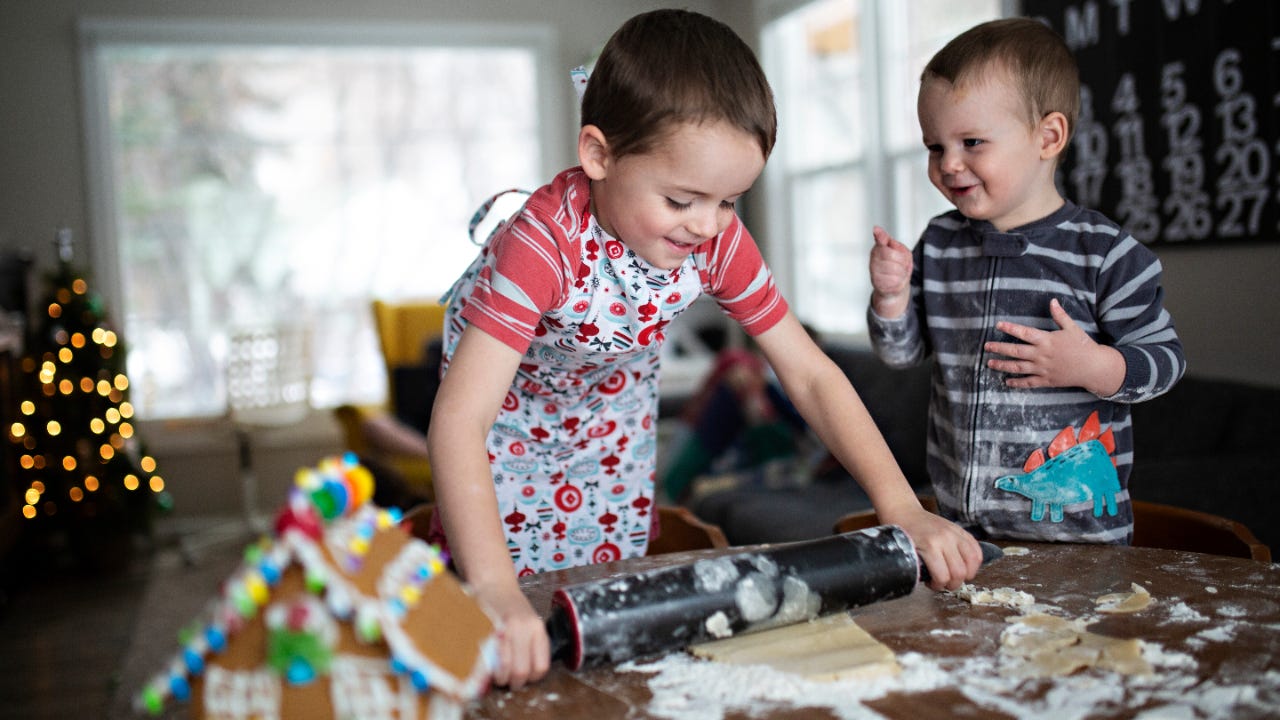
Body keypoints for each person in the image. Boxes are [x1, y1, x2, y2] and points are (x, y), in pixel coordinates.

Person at [428, 8, 982, 689]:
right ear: (598, 155)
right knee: (510, 614)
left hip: (607, 415)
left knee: (596, 610)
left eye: (730, 201)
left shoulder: (717, 238)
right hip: (502, 419)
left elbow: (808, 373)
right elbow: (460, 420)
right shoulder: (539, 246)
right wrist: (491, 585)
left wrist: (901, 507)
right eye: (684, 199)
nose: (709, 225)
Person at [867, 18, 1186, 547]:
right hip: (961, 530)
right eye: (933, 146)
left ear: (1048, 136)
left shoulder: (1105, 254)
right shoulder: (940, 243)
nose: (948, 164)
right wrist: (892, 297)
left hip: (1079, 539)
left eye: (971, 141)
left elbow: (1166, 362)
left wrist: (1093, 365)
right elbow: (901, 354)